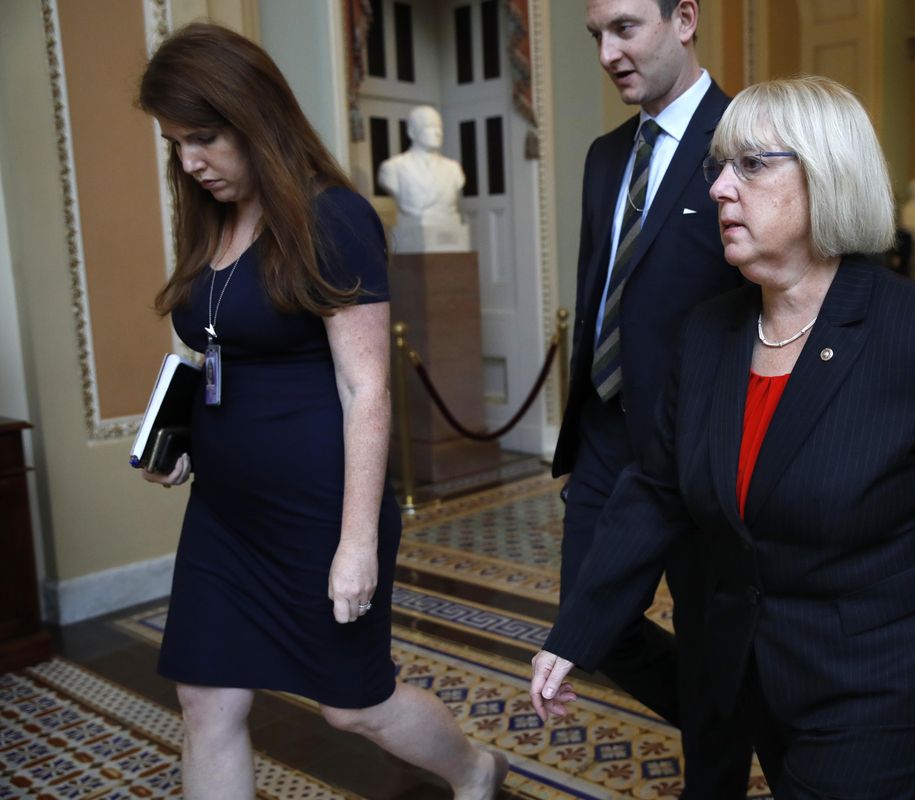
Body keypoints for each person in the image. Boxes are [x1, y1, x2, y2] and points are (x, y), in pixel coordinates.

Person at [530, 76, 915, 799]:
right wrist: (579, 630)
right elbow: (656, 490)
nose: (721, 188)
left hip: (887, 678)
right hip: (761, 671)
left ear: (827, 176)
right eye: (718, 167)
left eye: (752, 165)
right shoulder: (707, 333)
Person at [136, 24, 505, 799]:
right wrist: (185, 439)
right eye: (175, 143)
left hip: (319, 512)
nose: (189, 161)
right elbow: (218, 351)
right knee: (205, 698)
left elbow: (365, 388)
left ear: (255, 117)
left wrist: (356, 544)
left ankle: (473, 770)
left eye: (203, 138)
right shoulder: (211, 216)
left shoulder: (331, 217)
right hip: (224, 515)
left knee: (353, 706)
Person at [552, 0, 751, 794]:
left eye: (626, 28)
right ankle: (733, 722)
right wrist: (577, 437)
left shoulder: (746, 139)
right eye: (596, 35)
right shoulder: (607, 157)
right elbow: (602, 289)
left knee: (711, 641)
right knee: (589, 627)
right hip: (607, 435)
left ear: (686, 18)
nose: (607, 52)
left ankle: (721, 759)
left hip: (703, 451)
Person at [376, 105, 466, 226]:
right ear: (412, 132)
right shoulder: (393, 167)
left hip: (449, 225)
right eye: (429, 127)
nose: (437, 132)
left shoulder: (453, 169)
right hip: (413, 228)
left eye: (438, 127)